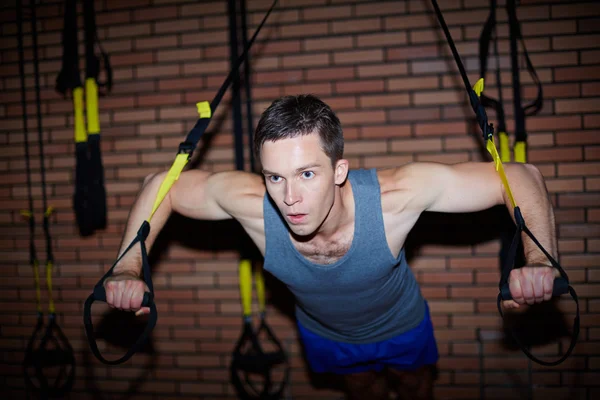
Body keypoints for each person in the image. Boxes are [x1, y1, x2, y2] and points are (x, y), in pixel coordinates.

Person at [103, 94, 560, 400]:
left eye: (307, 174)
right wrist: (126, 268)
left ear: (339, 170)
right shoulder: (252, 205)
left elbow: (523, 176)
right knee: (362, 391)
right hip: (326, 335)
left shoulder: (394, 198)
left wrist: (539, 258)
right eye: (275, 177)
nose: (290, 198)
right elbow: (160, 184)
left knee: (416, 387)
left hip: (401, 324)